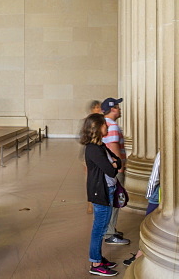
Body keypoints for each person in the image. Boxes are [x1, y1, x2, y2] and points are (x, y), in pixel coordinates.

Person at [81, 113, 121, 276]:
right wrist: (114, 163)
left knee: (102, 227)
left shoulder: (100, 146)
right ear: (97, 127)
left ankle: (98, 258)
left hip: (106, 190)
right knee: (99, 228)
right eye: (104, 124)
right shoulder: (93, 149)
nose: (108, 126)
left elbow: (118, 161)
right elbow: (112, 170)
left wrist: (114, 163)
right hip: (101, 192)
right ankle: (96, 263)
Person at [100, 98, 130, 245]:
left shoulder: (104, 124)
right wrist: (120, 168)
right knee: (115, 200)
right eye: (118, 107)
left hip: (108, 169)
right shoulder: (111, 126)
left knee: (112, 200)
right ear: (112, 109)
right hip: (114, 169)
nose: (120, 110)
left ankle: (110, 229)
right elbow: (113, 147)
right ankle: (110, 233)